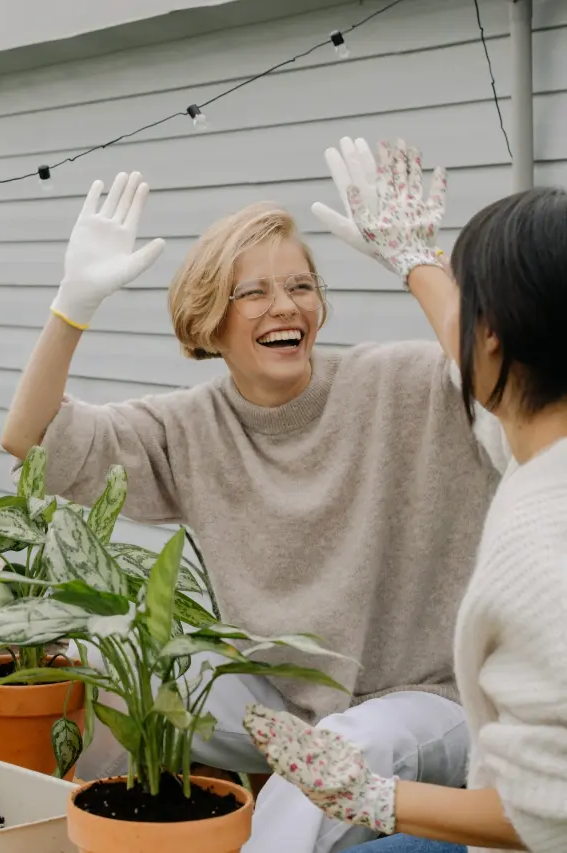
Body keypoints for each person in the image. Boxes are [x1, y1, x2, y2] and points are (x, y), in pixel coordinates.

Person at [1, 140, 508, 853]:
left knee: (333, 755)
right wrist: (73, 306)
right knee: (131, 667)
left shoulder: (403, 381)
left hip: (425, 700)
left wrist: (414, 259)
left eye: (301, 285)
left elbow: (507, 384)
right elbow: (32, 440)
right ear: (208, 318)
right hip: (285, 696)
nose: (287, 305)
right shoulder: (189, 426)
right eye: (256, 290)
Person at [244, 144, 567, 853]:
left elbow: (548, 813)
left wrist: (371, 794)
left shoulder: (543, 553)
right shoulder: (536, 447)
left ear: (493, 334)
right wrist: (414, 257)